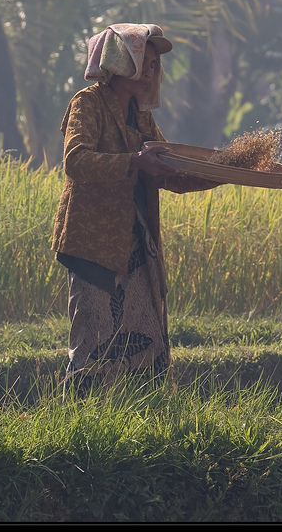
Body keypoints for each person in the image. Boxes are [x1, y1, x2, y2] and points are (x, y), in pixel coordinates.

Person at [51, 23, 221, 398]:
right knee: (94, 336)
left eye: (155, 64)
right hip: (94, 244)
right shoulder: (88, 103)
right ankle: (79, 421)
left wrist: (223, 172)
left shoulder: (142, 117)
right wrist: (134, 162)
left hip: (136, 245)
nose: (151, 70)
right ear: (118, 61)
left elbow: (171, 173)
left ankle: (142, 416)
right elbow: (76, 161)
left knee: (144, 335)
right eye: (144, 60)